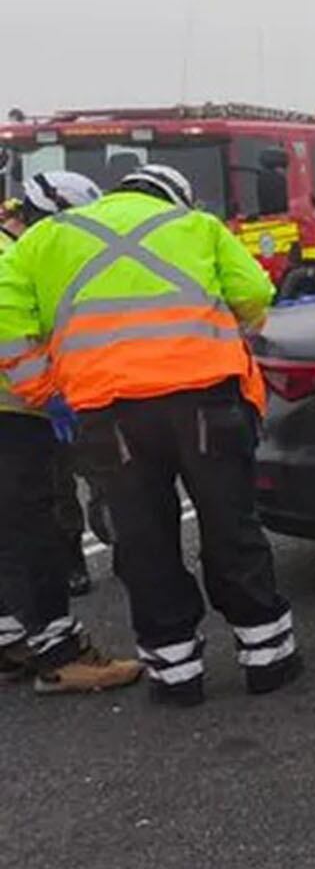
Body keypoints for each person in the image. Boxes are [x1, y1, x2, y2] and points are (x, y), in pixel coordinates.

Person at [0, 163, 300, 706]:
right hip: (205, 401)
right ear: (172, 196)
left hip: (109, 412)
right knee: (229, 521)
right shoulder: (198, 226)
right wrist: (223, 334)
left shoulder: (44, 239)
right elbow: (255, 293)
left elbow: (8, 318)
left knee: (142, 536)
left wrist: (45, 390)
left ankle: (175, 672)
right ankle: (267, 657)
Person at [0, 170, 141, 694]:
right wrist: (48, 394)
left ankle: (10, 642)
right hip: (13, 414)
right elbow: (11, 334)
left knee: (9, 534)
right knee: (33, 533)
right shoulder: (15, 256)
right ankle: (61, 655)